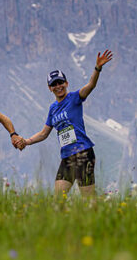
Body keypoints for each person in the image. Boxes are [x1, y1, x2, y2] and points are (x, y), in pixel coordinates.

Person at [22, 50, 113, 197]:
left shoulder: (74, 98)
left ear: (66, 83)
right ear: (49, 88)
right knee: (58, 199)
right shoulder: (52, 109)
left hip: (84, 152)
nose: (58, 86)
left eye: (60, 82)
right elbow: (44, 133)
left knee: (88, 199)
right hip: (67, 157)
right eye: (54, 84)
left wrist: (97, 68)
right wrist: (26, 142)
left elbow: (91, 85)